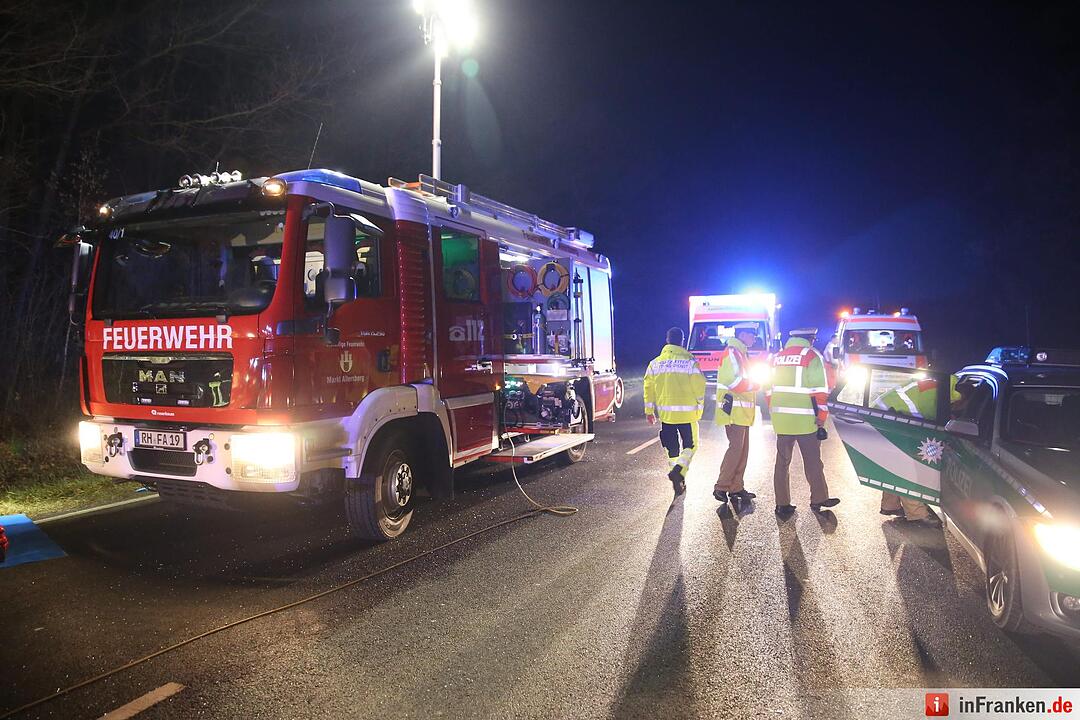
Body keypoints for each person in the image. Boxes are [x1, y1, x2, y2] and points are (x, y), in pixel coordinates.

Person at [769, 327, 840, 517]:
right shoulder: (811, 355)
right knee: (813, 461)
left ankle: (782, 504)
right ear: (809, 339)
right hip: (805, 419)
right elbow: (820, 392)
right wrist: (822, 418)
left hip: (782, 419)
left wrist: (775, 411)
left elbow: (768, 390)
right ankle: (818, 498)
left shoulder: (776, 357)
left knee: (782, 462)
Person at [872, 375, 961, 526]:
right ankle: (917, 514)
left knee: (897, 463)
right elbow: (933, 427)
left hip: (881, 415)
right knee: (909, 467)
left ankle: (890, 505)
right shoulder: (936, 398)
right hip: (889, 420)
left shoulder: (940, 384)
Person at [643, 327, 706, 495]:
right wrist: (699, 406)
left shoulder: (655, 363)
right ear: (682, 341)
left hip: (666, 415)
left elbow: (648, 388)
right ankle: (679, 472)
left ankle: (678, 480)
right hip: (687, 415)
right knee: (691, 446)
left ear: (667, 340)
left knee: (672, 448)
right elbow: (699, 387)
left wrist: (649, 411)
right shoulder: (690, 362)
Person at [713, 322, 761, 511]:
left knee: (742, 450)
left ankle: (736, 487)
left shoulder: (740, 353)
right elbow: (733, 381)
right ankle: (721, 486)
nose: (754, 338)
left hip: (741, 412)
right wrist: (755, 384)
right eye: (752, 335)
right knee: (736, 449)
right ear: (742, 334)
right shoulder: (732, 352)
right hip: (732, 410)